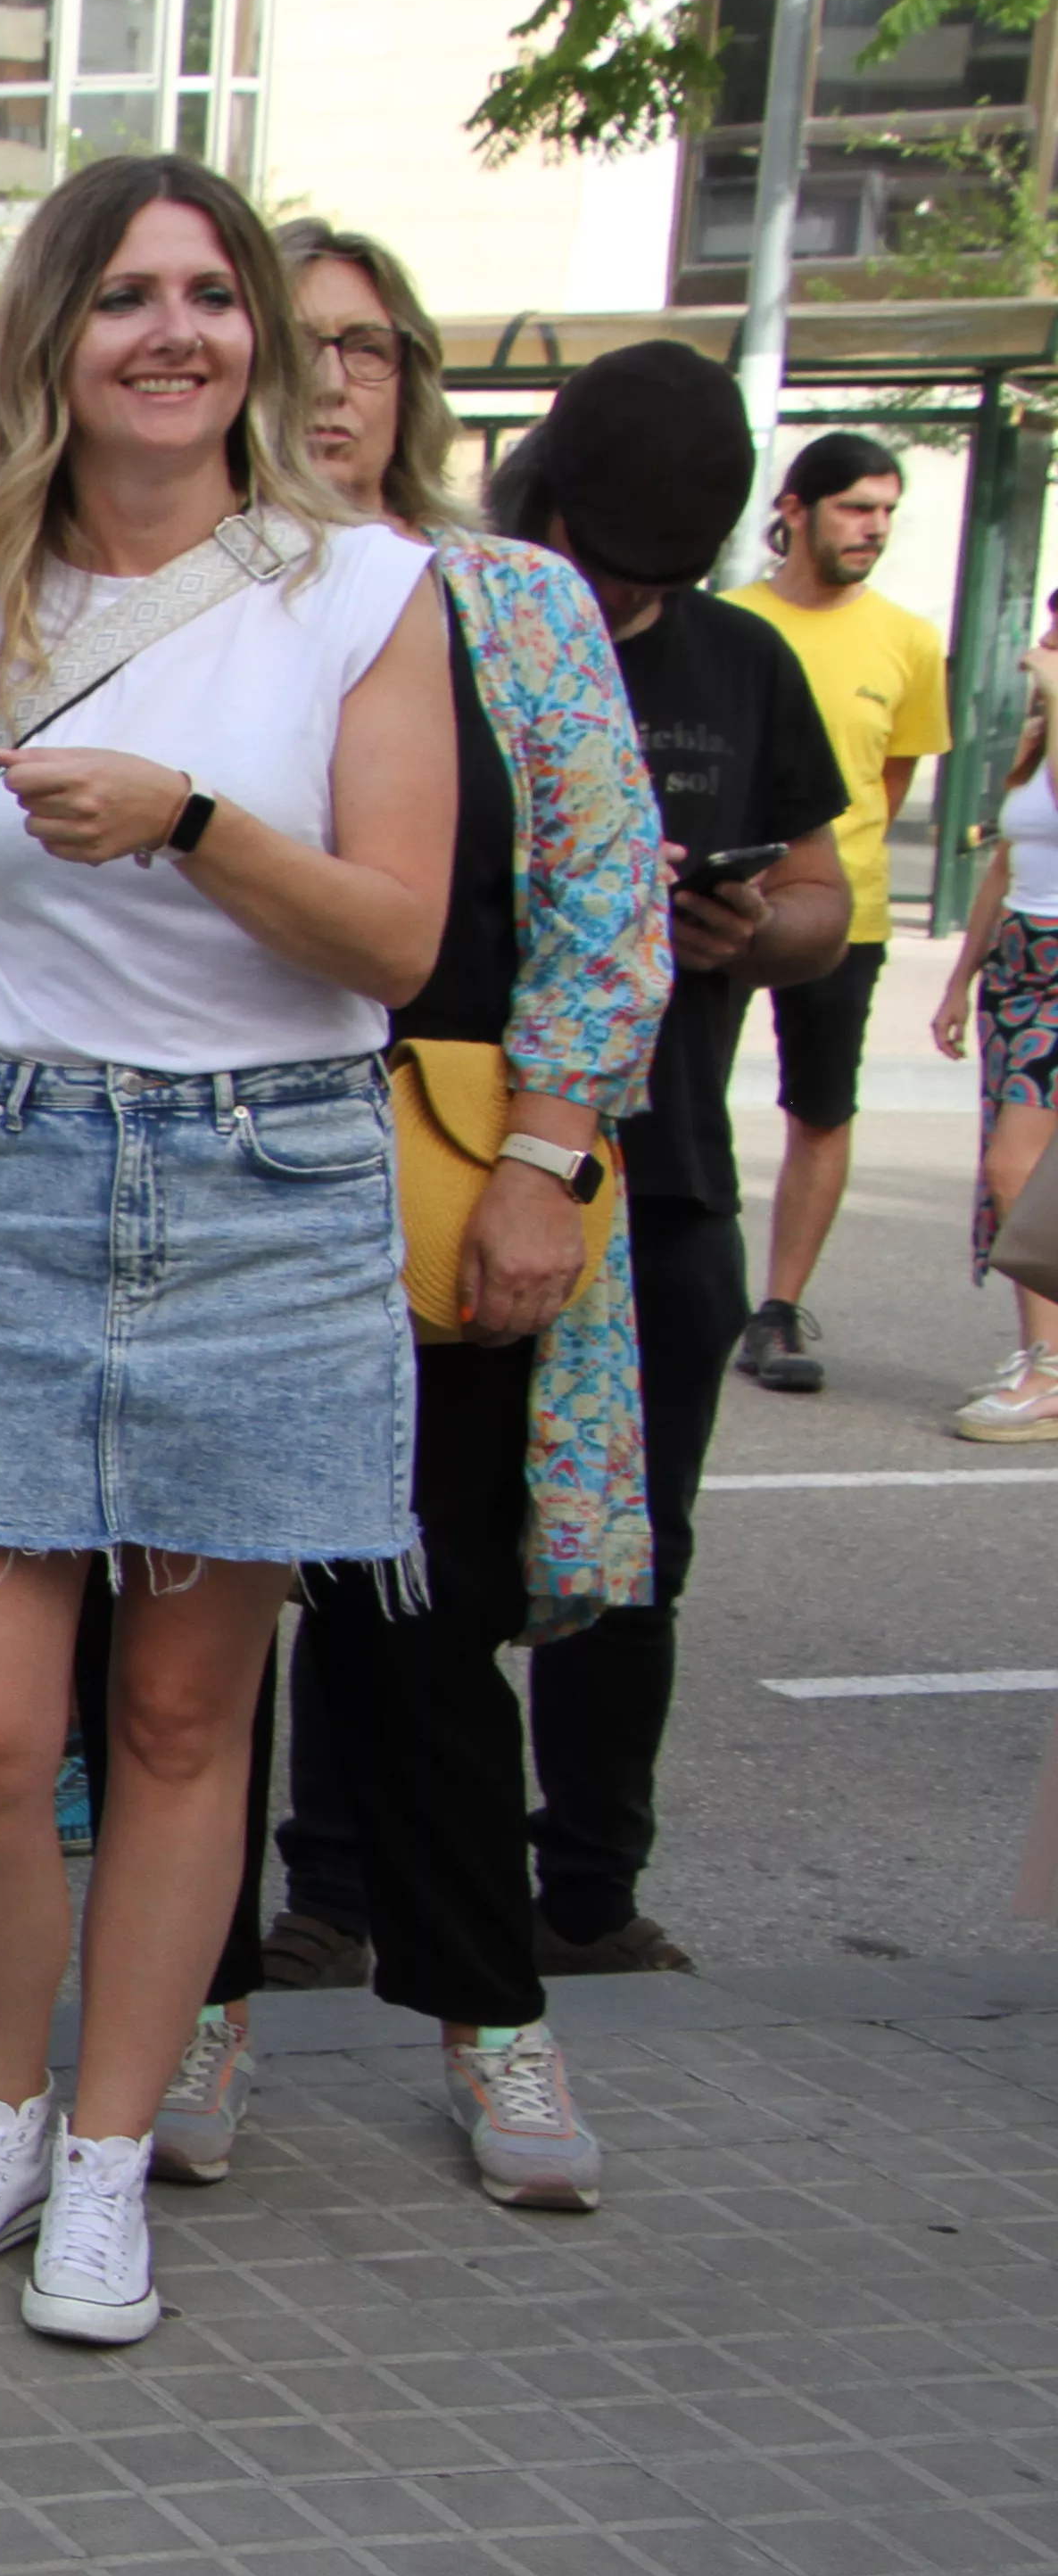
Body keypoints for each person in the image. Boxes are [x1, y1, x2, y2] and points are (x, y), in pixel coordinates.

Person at [0, 154, 450, 2349]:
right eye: (122, 296)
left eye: (209, 294)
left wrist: (191, 821)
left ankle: (107, 2160)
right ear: (52, 340)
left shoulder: (360, 592)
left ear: (253, 336)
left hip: (271, 1188)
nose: (172, 332)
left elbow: (398, 937)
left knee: (186, 1723)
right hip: (12, 1183)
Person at [141, 221, 667, 2210]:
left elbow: (604, 900)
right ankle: (195, 2003)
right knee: (182, 1645)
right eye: (300, 344)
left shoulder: (506, 601)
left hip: (440, 1180)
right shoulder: (181, 592)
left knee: (425, 1632)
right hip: (203, 1176)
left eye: (367, 348)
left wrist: (543, 1165)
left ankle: (489, 2018)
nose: (333, 382)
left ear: (414, 382)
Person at [494, 346, 849, 1977]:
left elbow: (824, 904)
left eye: (661, 575)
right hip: (458, 1146)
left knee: (632, 1557)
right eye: (607, 558)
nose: (627, 597)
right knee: (406, 1552)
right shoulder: (461, 621)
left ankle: (587, 1891)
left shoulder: (741, 661)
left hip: (671, 1170)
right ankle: (340, 1894)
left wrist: (750, 926)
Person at [729, 432, 951, 1396]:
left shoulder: (910, 640)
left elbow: (888, 781)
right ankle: (662, 1285)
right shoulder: (729, 624)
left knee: (820, 1108)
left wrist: (831, 879)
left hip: (842, 918)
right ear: (795, 509)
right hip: (718, 908)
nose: (876, 528)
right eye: (858, 507)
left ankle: (777, 1310)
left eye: (888, 511)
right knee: (675, 1098)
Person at [935, 617, 1058, 1435]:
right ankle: (1039, 1354)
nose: (1042, 643)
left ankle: (1050, 1370)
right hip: (1018, 966)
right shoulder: (1040, 737)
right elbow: (1005, 864)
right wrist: (960, 980)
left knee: (1018, 1171)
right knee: (1018, 1172)